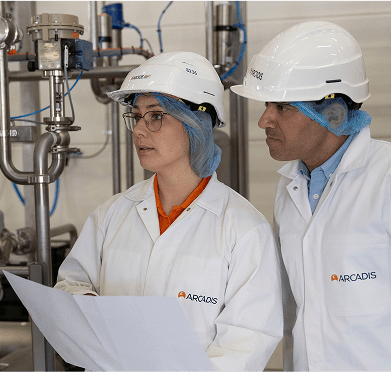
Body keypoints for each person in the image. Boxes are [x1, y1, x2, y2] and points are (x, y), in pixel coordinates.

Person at [231, 21, 391, 371]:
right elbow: (298, 319)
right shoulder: (290, 189)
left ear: (331, 112)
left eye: (283, 107)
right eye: (267, 104)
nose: (264, 120)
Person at [55, 51, 282, 371]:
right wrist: (88, 308)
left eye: (156, 116)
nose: (138, 131)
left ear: (196, 123)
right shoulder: (112, 214)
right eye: (136, 116)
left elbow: (247, 341)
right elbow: (71, 286)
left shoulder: (244, 230)